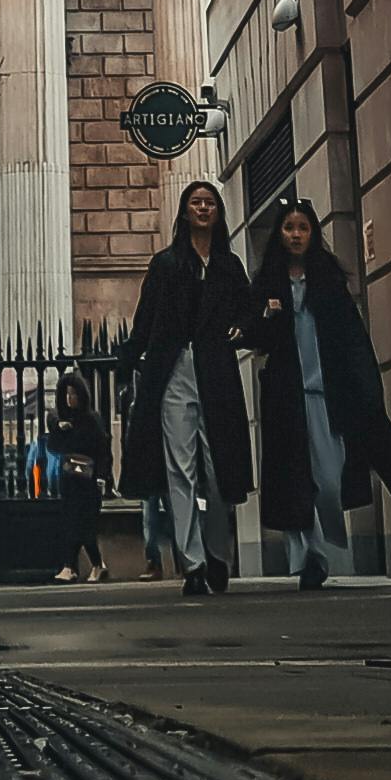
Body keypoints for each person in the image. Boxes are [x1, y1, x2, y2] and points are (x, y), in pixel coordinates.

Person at [250, 200, 391, 588]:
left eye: (303, 227)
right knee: (295, 479)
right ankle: (310, 557)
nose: (296, 235)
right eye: (289, 228)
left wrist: (366, 391)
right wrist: (266, 317)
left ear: (313, 233)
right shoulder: (267, 284)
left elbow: (352, 342)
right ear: (280, 235)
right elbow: (255, 337)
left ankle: (320, 549)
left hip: (327, 396)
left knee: (328, 478)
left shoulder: (329, 285)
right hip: (289, 400)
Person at [121, 177, 256, 595]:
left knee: (216, 472)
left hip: (216, 371)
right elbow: (145, 319)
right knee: (180, 470)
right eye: (196, 202)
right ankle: (193, 563)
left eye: (209, 203)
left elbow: (247, 312)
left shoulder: (229, 266)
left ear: (218, 212)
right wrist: (129, 360)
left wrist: (244, 329)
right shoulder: (165, 264)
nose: (203, 208)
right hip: (175, 372)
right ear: (184, 212)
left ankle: (218, 554)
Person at [44, 368, 112, 584]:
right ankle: (77, 565)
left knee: (84, 525)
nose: (69, 398)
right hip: (70, 478)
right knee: (72, 523)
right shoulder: (62, 421)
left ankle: (87, 564)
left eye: (73, 394)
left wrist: (102, 476)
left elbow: (103, 450)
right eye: (66, 394)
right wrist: (58, 426)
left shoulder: (91, 420)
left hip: (88, 479)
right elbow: (53, 441)